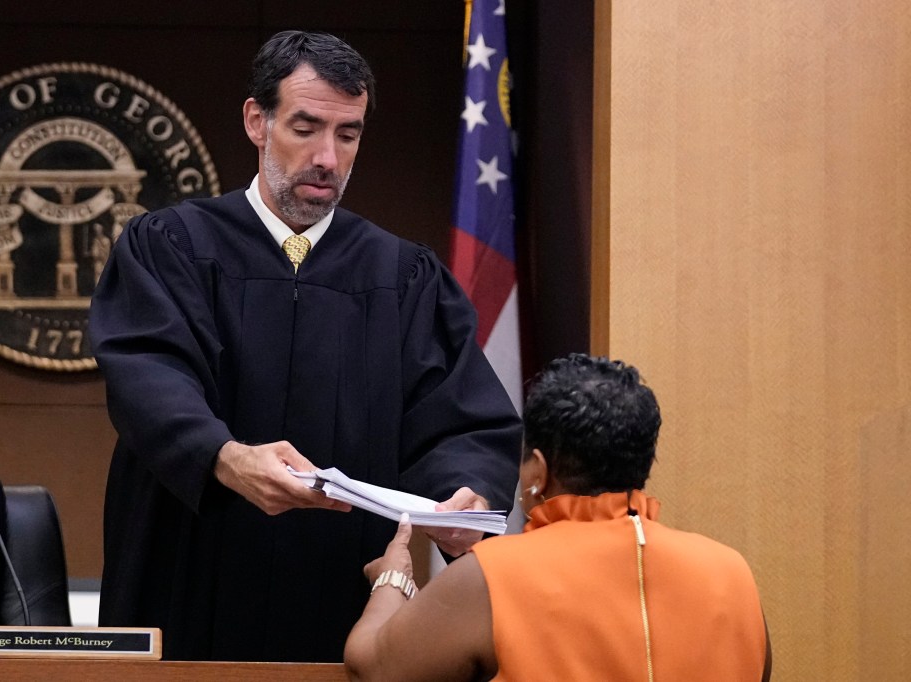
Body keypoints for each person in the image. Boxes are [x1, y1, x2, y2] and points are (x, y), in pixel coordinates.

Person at [88, 30, 521, 662]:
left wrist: (467, 492)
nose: (327, 156)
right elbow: (147, 373)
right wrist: (223, 456)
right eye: (306, 127)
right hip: (192, 573)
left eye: (348, 135)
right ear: (256, 121)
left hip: (344, 594)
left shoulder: (401, 277)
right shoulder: (171, 247)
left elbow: (461, 414)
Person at [345, 354, 771, 681]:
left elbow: (374, 667)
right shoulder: (732, 572)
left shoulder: (492, 576)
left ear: (539, 471)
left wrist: (393, 578)